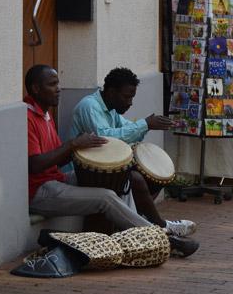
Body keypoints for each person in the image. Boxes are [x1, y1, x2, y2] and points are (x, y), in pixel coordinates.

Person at [25, 65, 198, 257]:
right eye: (52, 84)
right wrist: (73, 145)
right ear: (35, 88)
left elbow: (59, 159)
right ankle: (164, 238)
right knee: (105, 197)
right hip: (40, 190)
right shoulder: (29, 117)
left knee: (123, 178)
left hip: (57, 179)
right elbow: (35, 165)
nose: (58, 89)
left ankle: (136, 234)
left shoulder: (46, 115)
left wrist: (79, 147)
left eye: (58, 83)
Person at [70, 67, 196, 237]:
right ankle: (159, 225)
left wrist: (148, 124)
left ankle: (139, 222)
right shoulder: (89, 106)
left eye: (132, 97)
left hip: (103, 169)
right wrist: (145, 124)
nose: (130, 102)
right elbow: (106, 139)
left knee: (156, 175)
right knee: (135, 178)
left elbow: (127, 128)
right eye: (127, 96)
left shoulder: (111, 109)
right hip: (82, 172)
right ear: (112, 91)